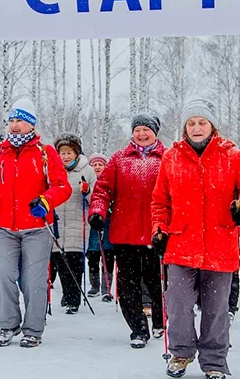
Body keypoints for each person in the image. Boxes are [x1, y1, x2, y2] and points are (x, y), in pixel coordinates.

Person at [151, 98, 240, 379]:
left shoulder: (231, 155)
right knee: (177, 303)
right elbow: (160, 202)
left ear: (212, 125)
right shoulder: (171, 158)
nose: (196, 128)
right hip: (180, 242)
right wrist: (159, 228)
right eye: (191, 123)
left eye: (202, 122)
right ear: (184, 127)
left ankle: (214, 361)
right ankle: (181, 352)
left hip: (220, 243)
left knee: (216, 308)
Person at [0, 98, 71, 348]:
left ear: (32, 125)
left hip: (37, 229)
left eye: (21, 121)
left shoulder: (45, 152)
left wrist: (46, 201)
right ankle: (8, 325)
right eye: (12, 121)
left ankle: (33, 329)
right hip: (4, 227)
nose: (15, 126)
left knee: (34, 279)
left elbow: (62, 186)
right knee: (3, 275)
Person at [89, 113, 166, 349]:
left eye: (146, 130)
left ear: (155, 132)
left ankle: (161, 321)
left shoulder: (167, 158)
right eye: (137, 130)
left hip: (158, 234)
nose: (142, 134)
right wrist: (98, 211)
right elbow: (103, 189)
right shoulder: (120, 159)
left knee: (158, 282)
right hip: (126, 233)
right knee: (128, 284)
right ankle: (138, 328)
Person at [53, 133, 96, 314]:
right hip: (57, 222)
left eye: (69, 152)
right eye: (62, 153)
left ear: (76, 152)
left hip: (77, 223)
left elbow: (96, 197)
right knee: (60, 262)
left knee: (74, 262)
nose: (66, 156)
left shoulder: (87, 171)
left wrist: (87, 191)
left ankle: (74, 299)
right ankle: (67, 292)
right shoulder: (54, 170)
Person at [86, 153, 115, 302]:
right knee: (93, 257)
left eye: (100, 164)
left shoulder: (111, 181)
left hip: (109, 224)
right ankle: (95, 285)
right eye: (94, 165)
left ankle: (107, 287)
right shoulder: (88, 182)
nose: (97, 167)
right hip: (92, 226)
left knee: (108, 256)